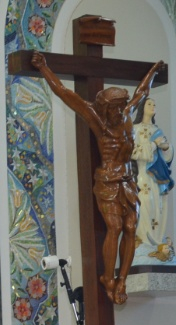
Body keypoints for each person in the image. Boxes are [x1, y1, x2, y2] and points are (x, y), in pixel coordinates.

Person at [31, 51, 164, 305]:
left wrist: (154, 71)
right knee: (115, 227)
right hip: (107, 182)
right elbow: (64, 93)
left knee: (130, 227)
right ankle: (107, 277)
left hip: (127, 181)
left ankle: (121, 278)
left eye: (119, 106)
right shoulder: (97, 119)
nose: (117, 111)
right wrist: (44, 68)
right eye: (113, 108)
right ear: (105, 108)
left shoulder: (126, 115)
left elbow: (142, 91)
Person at [132, 97, 173, 248]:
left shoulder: (158, 131)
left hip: (158, 180)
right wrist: (153, 145)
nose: (153, 106)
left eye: (154, 104)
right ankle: (144, 243)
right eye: (149, 104)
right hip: (143, 176)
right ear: (142, 107)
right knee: (145, 205)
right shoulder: (135, 129)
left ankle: (157, 243)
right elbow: (134, 152)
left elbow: (167, 158)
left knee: (159, 209)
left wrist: (167, 148)